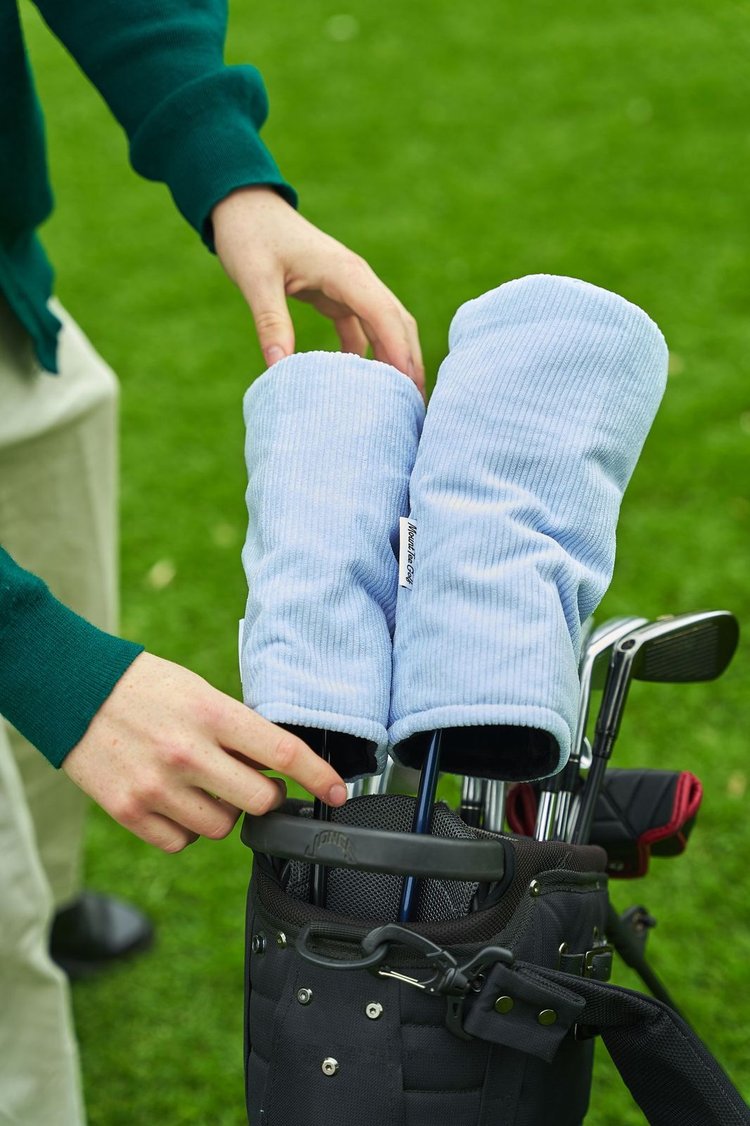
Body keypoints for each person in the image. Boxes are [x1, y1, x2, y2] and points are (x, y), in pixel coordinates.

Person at [0, 1, 423, 1122]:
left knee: (61, 537)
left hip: (5, 294)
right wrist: (38, 659)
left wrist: (227, 170)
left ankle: (47, 895)